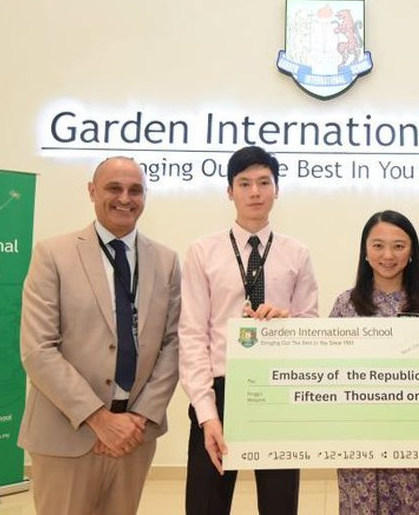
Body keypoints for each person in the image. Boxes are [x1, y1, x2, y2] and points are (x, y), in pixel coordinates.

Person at [18, 157, 181, 515]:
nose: (125, 198)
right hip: (67, 434)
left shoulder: (166, 261)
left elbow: (173, 345)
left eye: (135, 190)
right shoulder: (52, 254)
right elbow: (38, 350)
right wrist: (100, 420)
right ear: (92, 191)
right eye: (114, 188)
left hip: (135, 436)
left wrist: (138, 419)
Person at [178, 146, 318, 515]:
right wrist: (206, 412)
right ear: (230, 191)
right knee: (206, 505)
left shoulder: (297, 253)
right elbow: (192, 334)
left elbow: (309, 325)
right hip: (220, 390)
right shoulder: (202, 251)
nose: (255, 192)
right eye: (244, 183)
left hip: (277, 389)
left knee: (279, 504)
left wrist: (286, 324)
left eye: (263, 182)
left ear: (277, 189)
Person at [330, 210, 419, 515]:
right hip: (358, 438)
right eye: (378, 245)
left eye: (398, 246)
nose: (388, 255)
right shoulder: (345, 305)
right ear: (365, 251)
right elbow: (330, 370)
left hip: (416, 438)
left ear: (412, 252)